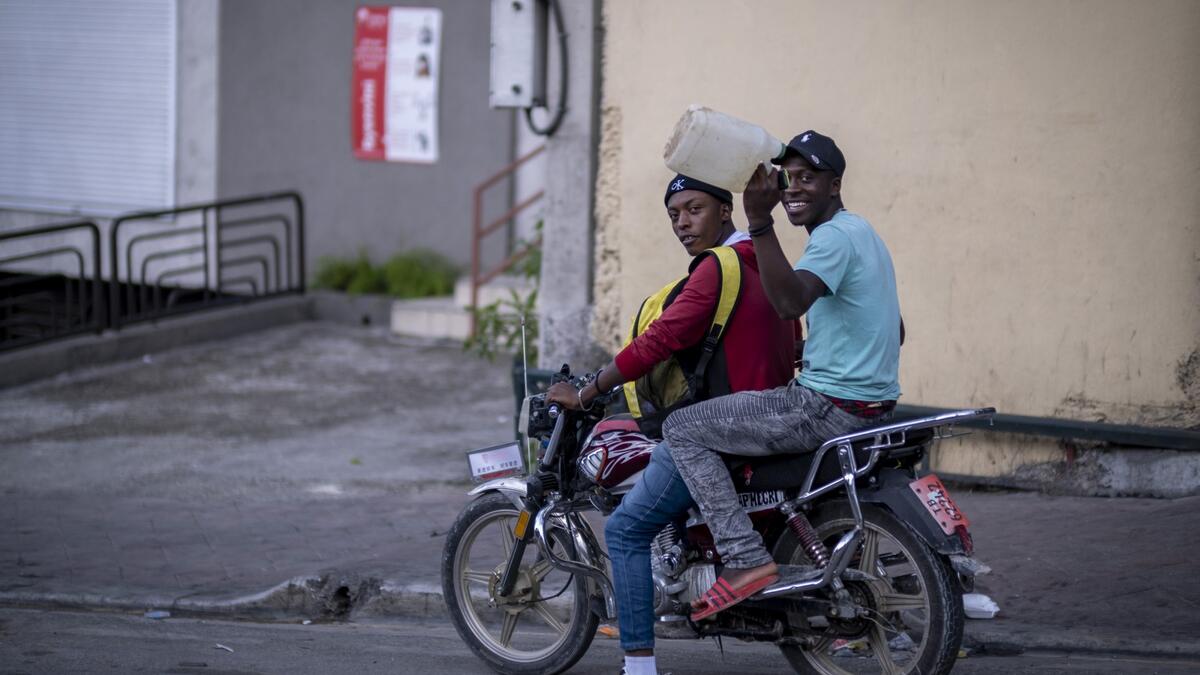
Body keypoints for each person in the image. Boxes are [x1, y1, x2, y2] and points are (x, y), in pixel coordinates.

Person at [546, 174, 796, 675]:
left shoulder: (717, 267)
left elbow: (659, 341)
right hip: (773, 414)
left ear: (726, 211)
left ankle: (638, 666)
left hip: (722, 430)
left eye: (694, 209)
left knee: (624, 530)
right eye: (674, 214)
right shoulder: (764, 261)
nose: (683, 222)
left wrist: (589, 389)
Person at [662, 130, 904, 621]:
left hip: (826, 407)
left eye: (807, 179)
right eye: (787, 178)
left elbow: (789, 301)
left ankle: (745, 558)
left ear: (834, 185)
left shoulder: (831, 239)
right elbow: (893, 329)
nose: (793, 188)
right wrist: (814, 349)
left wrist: (759, 221)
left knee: (681, 428)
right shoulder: (863, 232)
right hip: (874, 404)